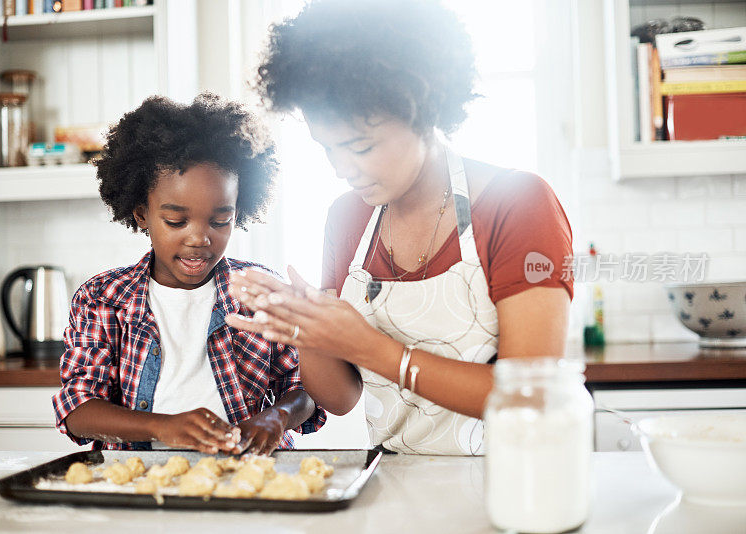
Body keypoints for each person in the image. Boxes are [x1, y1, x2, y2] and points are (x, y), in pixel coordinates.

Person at [226, 0, 573, 455]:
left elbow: (530, 395)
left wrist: (372, 349)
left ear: (424, 110)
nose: (342, 169)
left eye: (360, 146)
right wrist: (305, 330)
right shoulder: (348, 217)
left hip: (513, 487)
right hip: (394, 486)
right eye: (327, 149)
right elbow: (341, 398)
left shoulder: (521, 204)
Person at [52, 94, 326, 455]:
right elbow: (77, 409)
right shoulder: (103, 298)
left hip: (249, 476)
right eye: (176, 221)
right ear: (141, 214)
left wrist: (277, 417)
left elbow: (306, 388)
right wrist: (163, 426)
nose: (199, 238)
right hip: (141, 486)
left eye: (220, 220)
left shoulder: (259, 292)